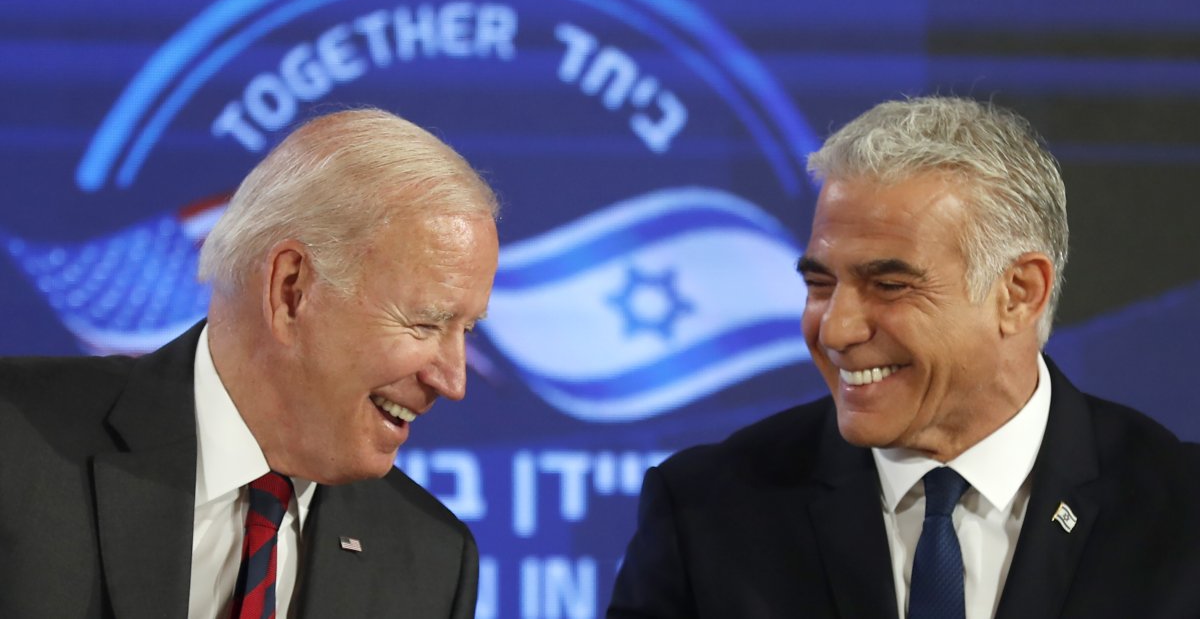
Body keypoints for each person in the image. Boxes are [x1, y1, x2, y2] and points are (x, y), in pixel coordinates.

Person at [607, 96, 1200, 618]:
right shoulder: (708, 514)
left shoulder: (1179, 514)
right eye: (820, 284)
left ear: (1018, 293)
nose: (836, 329)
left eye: (889, 285)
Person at [0, 108, 499, 618]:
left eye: (467, 330)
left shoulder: (431, 562)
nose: (453, 380)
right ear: (291, 290)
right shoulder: (16, 444)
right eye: (425, 323)